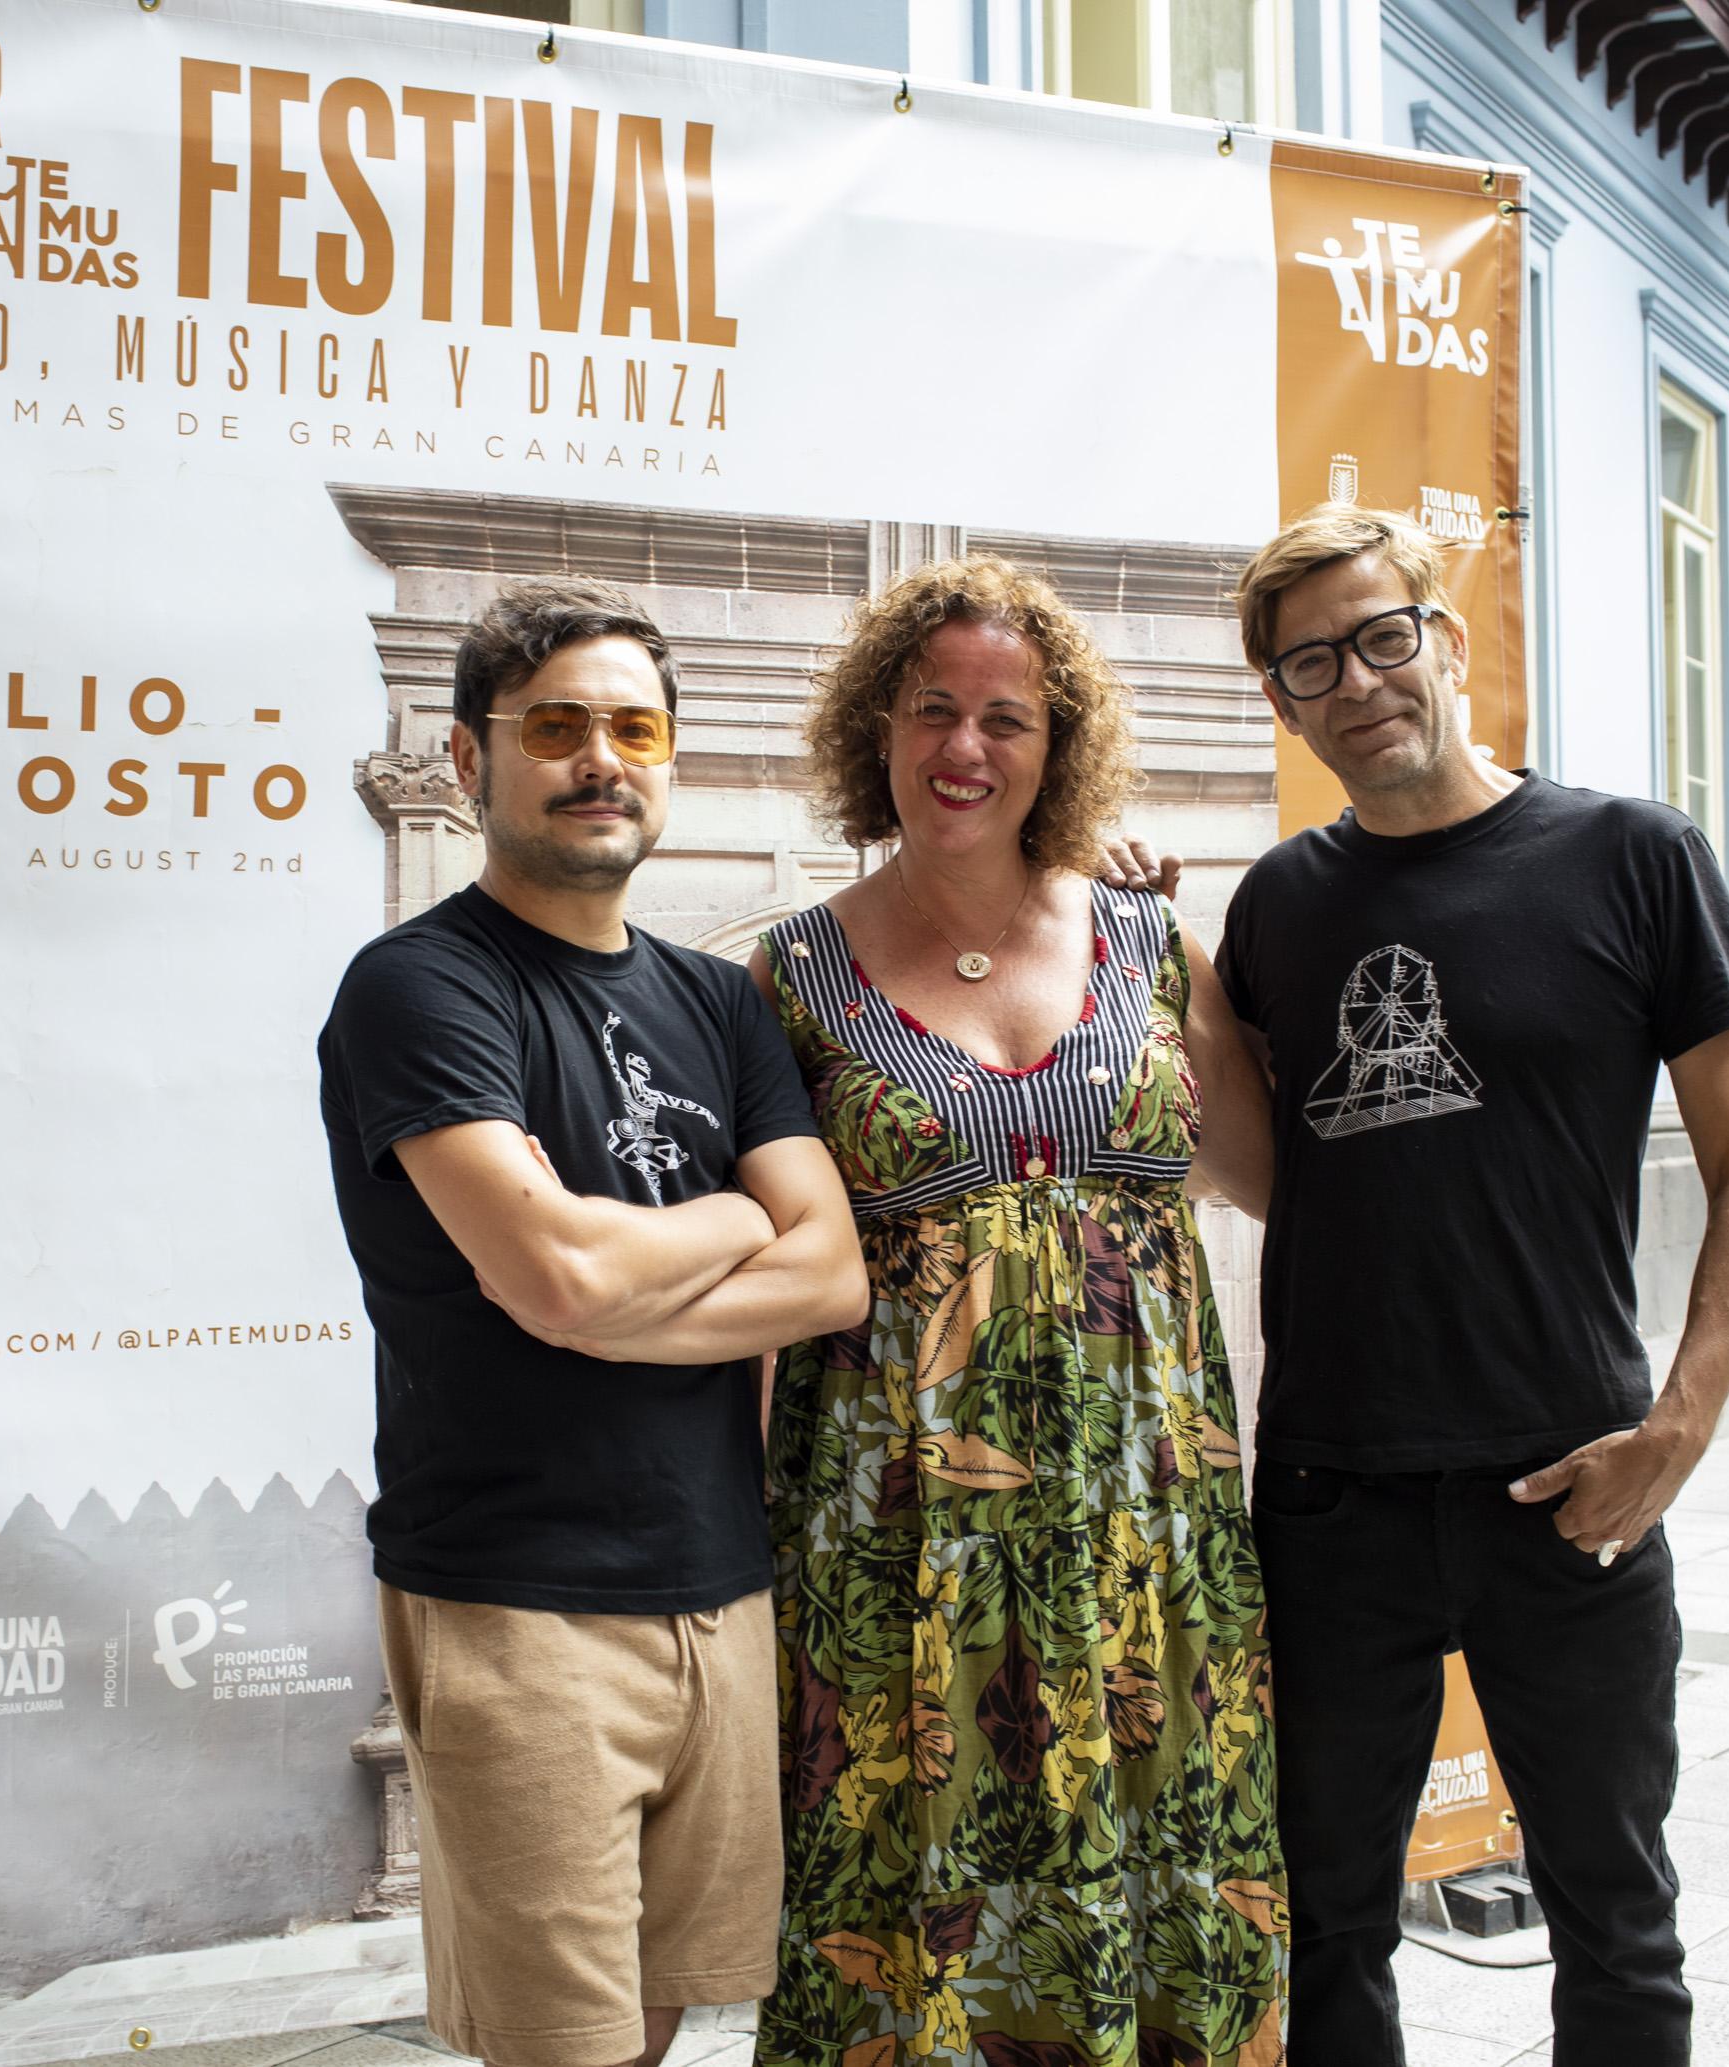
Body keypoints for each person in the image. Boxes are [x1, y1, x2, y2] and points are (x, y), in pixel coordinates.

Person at [1214, 506, 1729, 2062]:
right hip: (1333, 1496)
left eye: (1381, 637)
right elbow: (1288, 1173)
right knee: (1325, 1915)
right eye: (1307, 667)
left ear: (1448, 639)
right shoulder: (1278, 905)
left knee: (1614, 1917)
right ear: (1285, 702)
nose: (1355, 684)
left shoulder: (1632, 857)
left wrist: (1676, 1431)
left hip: (1570, 1481)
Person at [317, 576, 869, 2067]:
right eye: (554, 726)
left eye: (634, 727)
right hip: (516, 1595)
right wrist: (735, 1216)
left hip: (721, 1580)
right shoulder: (420, 987)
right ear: (466, 762)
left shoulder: (721, 1001)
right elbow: (555, 1278)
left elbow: (833, 1278)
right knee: (561, 2042)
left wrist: (615, 1282)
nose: (598, 758)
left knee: (667, 2003)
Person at [750, 557, 1289, 2064]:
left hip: (1149, 1528)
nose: (965, 748)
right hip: (906, 1545)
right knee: (920, 1896)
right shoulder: (790, 980)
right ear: (879, 731)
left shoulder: (1150, 950)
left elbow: (1259, 1174)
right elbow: (766, 1271)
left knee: (1169, 1862)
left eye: (1009, 718)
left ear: (1061, 753)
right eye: (933, 710)